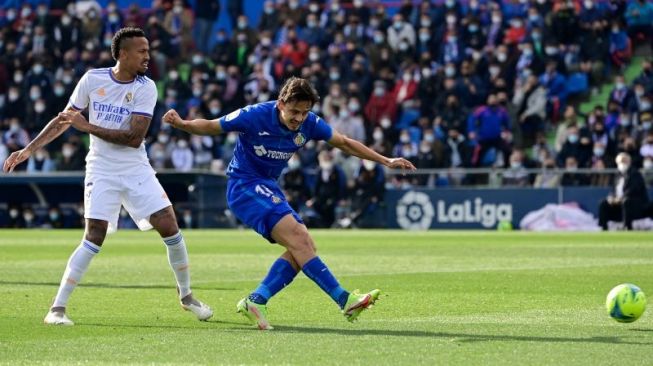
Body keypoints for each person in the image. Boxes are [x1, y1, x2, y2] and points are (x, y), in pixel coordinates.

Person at [163, 77, 416, 330]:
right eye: (294, 111)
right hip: (244, 186)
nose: (299, 118)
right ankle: (345, 299)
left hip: (268, 187)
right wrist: (182, 124)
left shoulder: (311, 123)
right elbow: (211, 126)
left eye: (305, 112)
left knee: (303, 246)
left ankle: (257, 300)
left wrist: (386, 160)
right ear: (281, 103)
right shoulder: (255, 115)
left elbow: (344, 143)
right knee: (300, 238)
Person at [2, 27, 212, 326]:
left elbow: (134, 138)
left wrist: (87, 127)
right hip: (101, 168)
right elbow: (65, 119)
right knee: (94, 234)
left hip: (135, 167)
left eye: (148, 50)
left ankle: (187, 295)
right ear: (122, 53)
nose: (147, 56)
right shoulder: (92, 79)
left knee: (168, 223)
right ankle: (57, 309)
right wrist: (28, 149)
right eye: (141, 51)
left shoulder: (146, 87)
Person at [598, 152, 651, 230]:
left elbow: (634, 189)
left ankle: (627, 226)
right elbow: (613, 191)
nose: (622, 163)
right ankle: (603, 226)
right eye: (621, 161)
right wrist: (612, 198)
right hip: (618, 203)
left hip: (635, 203)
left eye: (624, 161)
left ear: (629, 162)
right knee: (603, 203)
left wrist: (621, 198)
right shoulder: (617, 175)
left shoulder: (635, 174)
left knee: (626, 201)